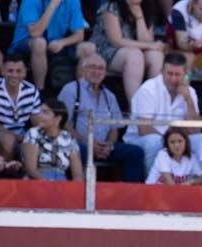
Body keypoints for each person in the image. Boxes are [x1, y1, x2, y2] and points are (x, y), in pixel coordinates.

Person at [58, 52, 146, 182]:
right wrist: (88, 143)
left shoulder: (109, 96)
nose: (96, 71)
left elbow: (114, 128)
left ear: (105, 73)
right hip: (80, 144)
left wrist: (109, 144)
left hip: (103, 147)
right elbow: (64, 123)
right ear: (83, 70)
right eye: (92, 67)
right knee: (78, 150)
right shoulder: (71, 90)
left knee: (135, 152)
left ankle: (130, 195)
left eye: (100, 68)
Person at [125, 52, 202, 174]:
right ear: (161, 71)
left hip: (176, 141)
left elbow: (196, 130)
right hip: (140, 139)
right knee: (155, 142)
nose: (173, 79)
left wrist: (188, 99)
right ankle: (152, 185)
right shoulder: (148, 89)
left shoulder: (190, 92)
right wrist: (172, 142)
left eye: (177, 74)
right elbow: (144, 129)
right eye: (169, 74)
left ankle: (193, 186)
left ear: (185, 74)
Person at [90, 0, 166, 103]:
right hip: (106, 50)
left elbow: (146, 41)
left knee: (156, 56)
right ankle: (135, 106)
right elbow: (116, 41)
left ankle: (153, 104)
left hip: (135, 49)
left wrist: (139, 16)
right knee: (135, 56)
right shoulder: (111, 7)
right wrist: (150, 45)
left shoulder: (147, 7)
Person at [9, 0, 94, 91]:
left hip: (55, 43)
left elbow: (80, 35)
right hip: (26, 43)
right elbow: (35, 32)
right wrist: (52, 5)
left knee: (89, 48)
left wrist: (62, 43)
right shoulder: (30, 1)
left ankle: (80, 94)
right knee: (40, 43)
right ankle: (40, 91)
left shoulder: (72, 1)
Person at [0, 54, 42, 160]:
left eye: (19, 71)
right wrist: (16, 137)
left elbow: (37, 122)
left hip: (22, 134)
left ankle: (27, 173)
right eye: (10, 71)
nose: (14, 75)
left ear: (25, 72)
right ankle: (7, 172)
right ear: (2, 71)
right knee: (8, 140)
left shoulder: (32, 90)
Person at [21, 98, 82, 180]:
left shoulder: (68, 138)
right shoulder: (33, 133)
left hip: (61, 181)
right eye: (40, 112)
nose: (40, 115)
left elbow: (78, 174)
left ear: (58, 118)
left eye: (45, 112)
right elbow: (31, 170)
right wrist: (49, 185)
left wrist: (74, 190)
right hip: (37, 181)